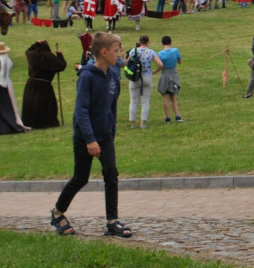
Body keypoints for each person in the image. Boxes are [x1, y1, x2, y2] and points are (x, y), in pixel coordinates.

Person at [51, 32, 132, 238]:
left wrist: (110, 132)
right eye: (115, 50)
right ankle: (57, 212)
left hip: (105, 135)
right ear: (104, 52)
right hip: (85, 136)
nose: (119, 54)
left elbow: (111, 106)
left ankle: (112, 221)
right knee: (81, 177)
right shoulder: (87, 76)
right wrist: (90, 139)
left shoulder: (113, 73)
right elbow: (81, 111)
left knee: (111, 172)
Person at [21, 40, 68, 129]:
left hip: (32, 85)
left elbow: (27, 51)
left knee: (32, 103)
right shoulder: (51, 58)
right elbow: (62, 65)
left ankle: (30, 122)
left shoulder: (32, 55)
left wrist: (35, 43)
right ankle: (46, 122)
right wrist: (60, 55)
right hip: (45, 85)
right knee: (46, 105)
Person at [127, 35, 162, 129]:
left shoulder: (133, 51)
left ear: (139, 41)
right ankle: (143, 123)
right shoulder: (151, 52)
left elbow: (127, 63)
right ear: (148, 42)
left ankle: (133, 124)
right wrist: (154, 71)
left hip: (135, 77)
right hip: (147, 76)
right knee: (145, 101)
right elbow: (160, 64)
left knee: (134, 101)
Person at [157, 35, 183, 123]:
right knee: (173, 97)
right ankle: (177, 116)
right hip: (173, 75)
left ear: (162, 44)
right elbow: (179, 62)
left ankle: (167, 117)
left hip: (164, 75)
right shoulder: (175, 51)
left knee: (165, 97)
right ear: (171, 42)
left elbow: (159, 65)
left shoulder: (160, 53)